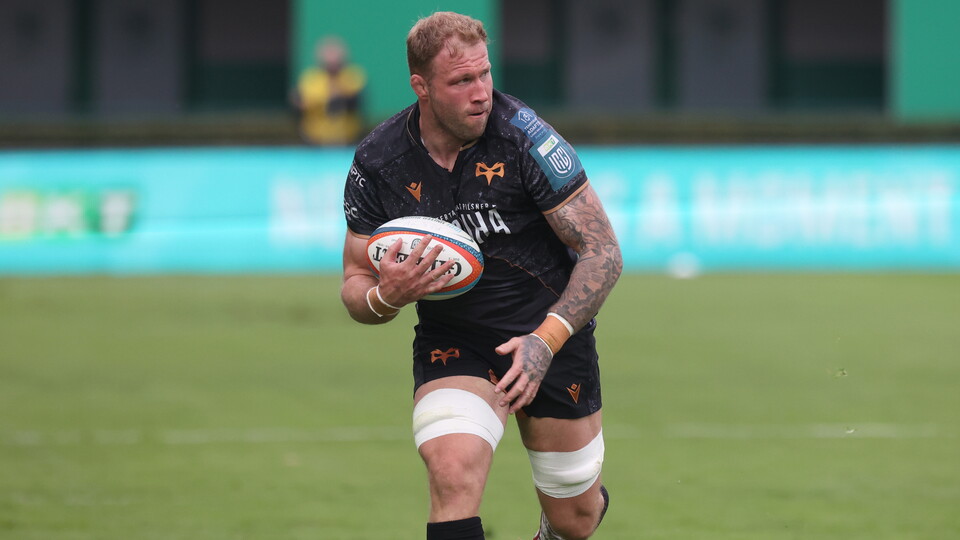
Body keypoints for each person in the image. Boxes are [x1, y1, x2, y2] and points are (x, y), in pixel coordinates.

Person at [340, 11, 622, 540]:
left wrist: (544, 342)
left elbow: (603, 252)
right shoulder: (379, 160)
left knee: (575, 520)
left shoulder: (526, 140)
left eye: (485, 74)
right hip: (457, 340)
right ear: (420, 87)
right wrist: (386, 296)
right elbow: (355, 284)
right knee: (452, 472)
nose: (481, 92)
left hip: (551, 335)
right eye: (462, 81)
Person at [291, 36, 366, 145]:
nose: (332, 61)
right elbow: (299, 104)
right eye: (329, 56)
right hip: (314, 140)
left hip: (348, 139)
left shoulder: (353, 76)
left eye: (335, 56)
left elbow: (355, 103)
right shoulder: (310, 78)